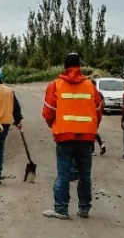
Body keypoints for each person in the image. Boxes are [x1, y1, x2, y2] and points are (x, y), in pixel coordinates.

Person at [41, 53, 103, 220]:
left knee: (63, 173)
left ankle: (61, 209)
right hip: (86, 137)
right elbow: (98, 111)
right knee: (84, 174)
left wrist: (54, 125)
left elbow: (48, 112)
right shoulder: (90, 86)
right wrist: (90, 128)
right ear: (80, 66)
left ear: (64, 66)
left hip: (64, 136)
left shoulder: (56, 85)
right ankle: (84, 209)